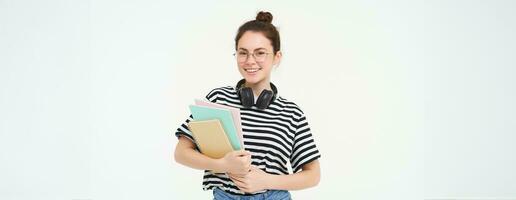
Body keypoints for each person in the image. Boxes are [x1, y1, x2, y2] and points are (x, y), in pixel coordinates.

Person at [174, 11, 321, 200]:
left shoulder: (292, 113)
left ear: (277, 57)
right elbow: (181, 153)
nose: (250, 61)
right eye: (243, 53)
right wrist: (223, 165)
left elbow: (313, 175)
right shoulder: (218, 99)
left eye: (260, 53)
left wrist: (267, 181)